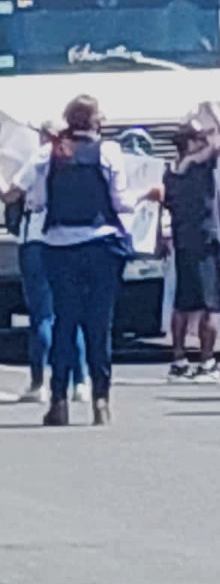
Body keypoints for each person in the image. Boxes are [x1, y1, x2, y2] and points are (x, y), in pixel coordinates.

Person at [10, 96, 131, 426]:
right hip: (102, 244)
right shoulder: (109, 153)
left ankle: (59, 400)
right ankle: (101, 401)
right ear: (96, 122)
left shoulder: (47, 153)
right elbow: (120, 202)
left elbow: (17, 193)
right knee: (99, 324)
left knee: (64, 321)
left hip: (59, 244)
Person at [2, 124, 89, 404]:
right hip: (71, 238)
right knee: (72, 313)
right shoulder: (80, 157)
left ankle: (40, 383)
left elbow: (11, 195)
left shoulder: (40, 158)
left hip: (37, 239)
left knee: (42, 315)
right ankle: (80, 381)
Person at [148, 116, 220, 384]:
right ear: (190, 143)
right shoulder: (200, 164)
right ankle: (207, 362)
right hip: (207, 239)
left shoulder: (171, 171)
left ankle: (179, 359)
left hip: (183, 240)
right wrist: (215, 119)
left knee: (182, 303)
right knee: (211, 305)